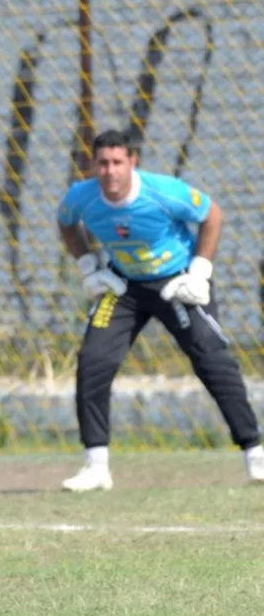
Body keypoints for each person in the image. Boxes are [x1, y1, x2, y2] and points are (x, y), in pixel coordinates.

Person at [57, 129, 264, 492]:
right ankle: (96, 466)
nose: (110, 171)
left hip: (177, 282)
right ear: (93, 165)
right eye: (102, 163)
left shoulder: (163, 192)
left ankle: (255, 453)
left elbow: (212, 215)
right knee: (93, 360)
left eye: (117, 162)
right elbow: (65, 222)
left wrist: (200, 271)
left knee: (211, 359)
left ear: (132, 162)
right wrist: (89, 267)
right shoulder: (81, 197)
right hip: (124, 286)